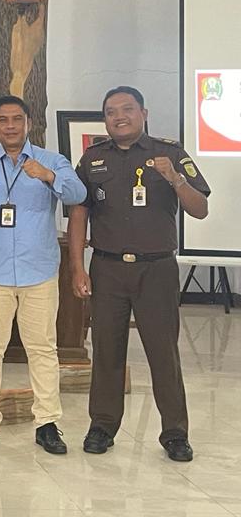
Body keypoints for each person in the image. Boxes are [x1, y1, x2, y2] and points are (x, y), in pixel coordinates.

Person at [68, 86, 210, 463]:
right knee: (106, 351)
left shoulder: (171, 153)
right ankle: (102, 426)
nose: (119, 116)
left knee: (163, 354)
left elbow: (200, 209)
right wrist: (77, 267)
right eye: (111, 111)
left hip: (156, 270)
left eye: (127, 109)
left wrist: (175, 179)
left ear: (143, 113)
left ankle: (175, 433)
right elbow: (79, 213)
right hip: (108, 269)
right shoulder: (93, 158)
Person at [0, 95, 86, 455]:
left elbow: (78, 194)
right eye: (3, 120)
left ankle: (47, 424)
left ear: (28, 123)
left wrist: (48, 176)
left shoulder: (52, 161)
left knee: (43, 350)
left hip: (39, 272)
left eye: (17, 119)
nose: (11, 126)